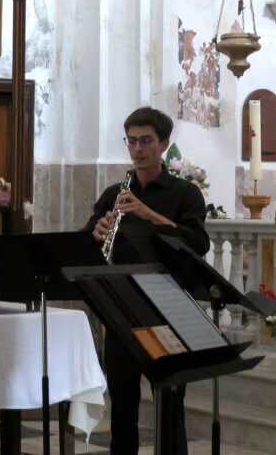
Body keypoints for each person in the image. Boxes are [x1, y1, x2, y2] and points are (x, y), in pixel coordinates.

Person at [84, 106, 210, 455]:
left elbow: (198, 243)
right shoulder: (114, 194)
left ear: (164, 143)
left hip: (168, 310)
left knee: (169, 407)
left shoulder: (185, 194)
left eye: (146, 141)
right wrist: (95, 232)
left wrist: (147, 213)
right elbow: (85, 247)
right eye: (132, 141)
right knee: (122, 405)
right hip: (121, 307)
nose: (138, 149)